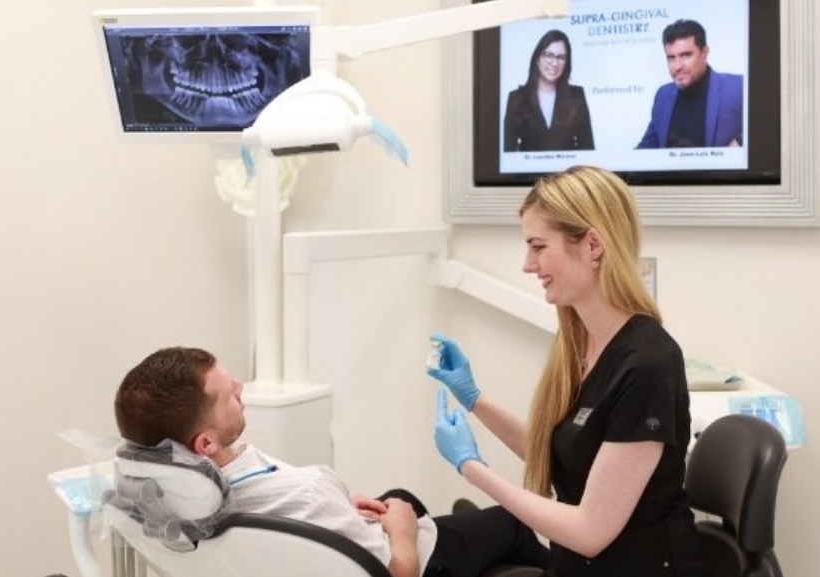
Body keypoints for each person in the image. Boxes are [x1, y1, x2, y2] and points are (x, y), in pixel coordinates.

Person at [427, 165, 706, 576]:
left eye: (538, 247)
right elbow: (562, 454)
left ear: (593, 244)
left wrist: (472, 468)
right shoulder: (581, 343)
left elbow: (590, 530)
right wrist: (474, 400)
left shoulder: (647, 364)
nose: (528, 264)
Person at [114, 347, 549, 577]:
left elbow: (283, 518)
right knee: (510, 521)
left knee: (400, 497)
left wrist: (336, 510)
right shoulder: (305, 494)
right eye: (229, 393)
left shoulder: (174, 494)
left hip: (327, 536)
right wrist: (399, 533)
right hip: (409, 564)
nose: (241, 387)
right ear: (205, 443)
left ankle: (462, 533)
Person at [637, 19, 743, 149]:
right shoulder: (663, 95)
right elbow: (647, 148)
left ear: (704, 53)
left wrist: (740, 142)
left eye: (685, 55)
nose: (677, 66)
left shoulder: (738, 87)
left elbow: (766, 124)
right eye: (671, 58)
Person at [503, 29, 594, 152]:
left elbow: (587, 150)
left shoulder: (577, 95)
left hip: (568, 171)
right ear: (537, 58)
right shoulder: (516, 98)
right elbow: (508, 152)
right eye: (549, 55)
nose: (555, 63)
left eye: (561, 57)